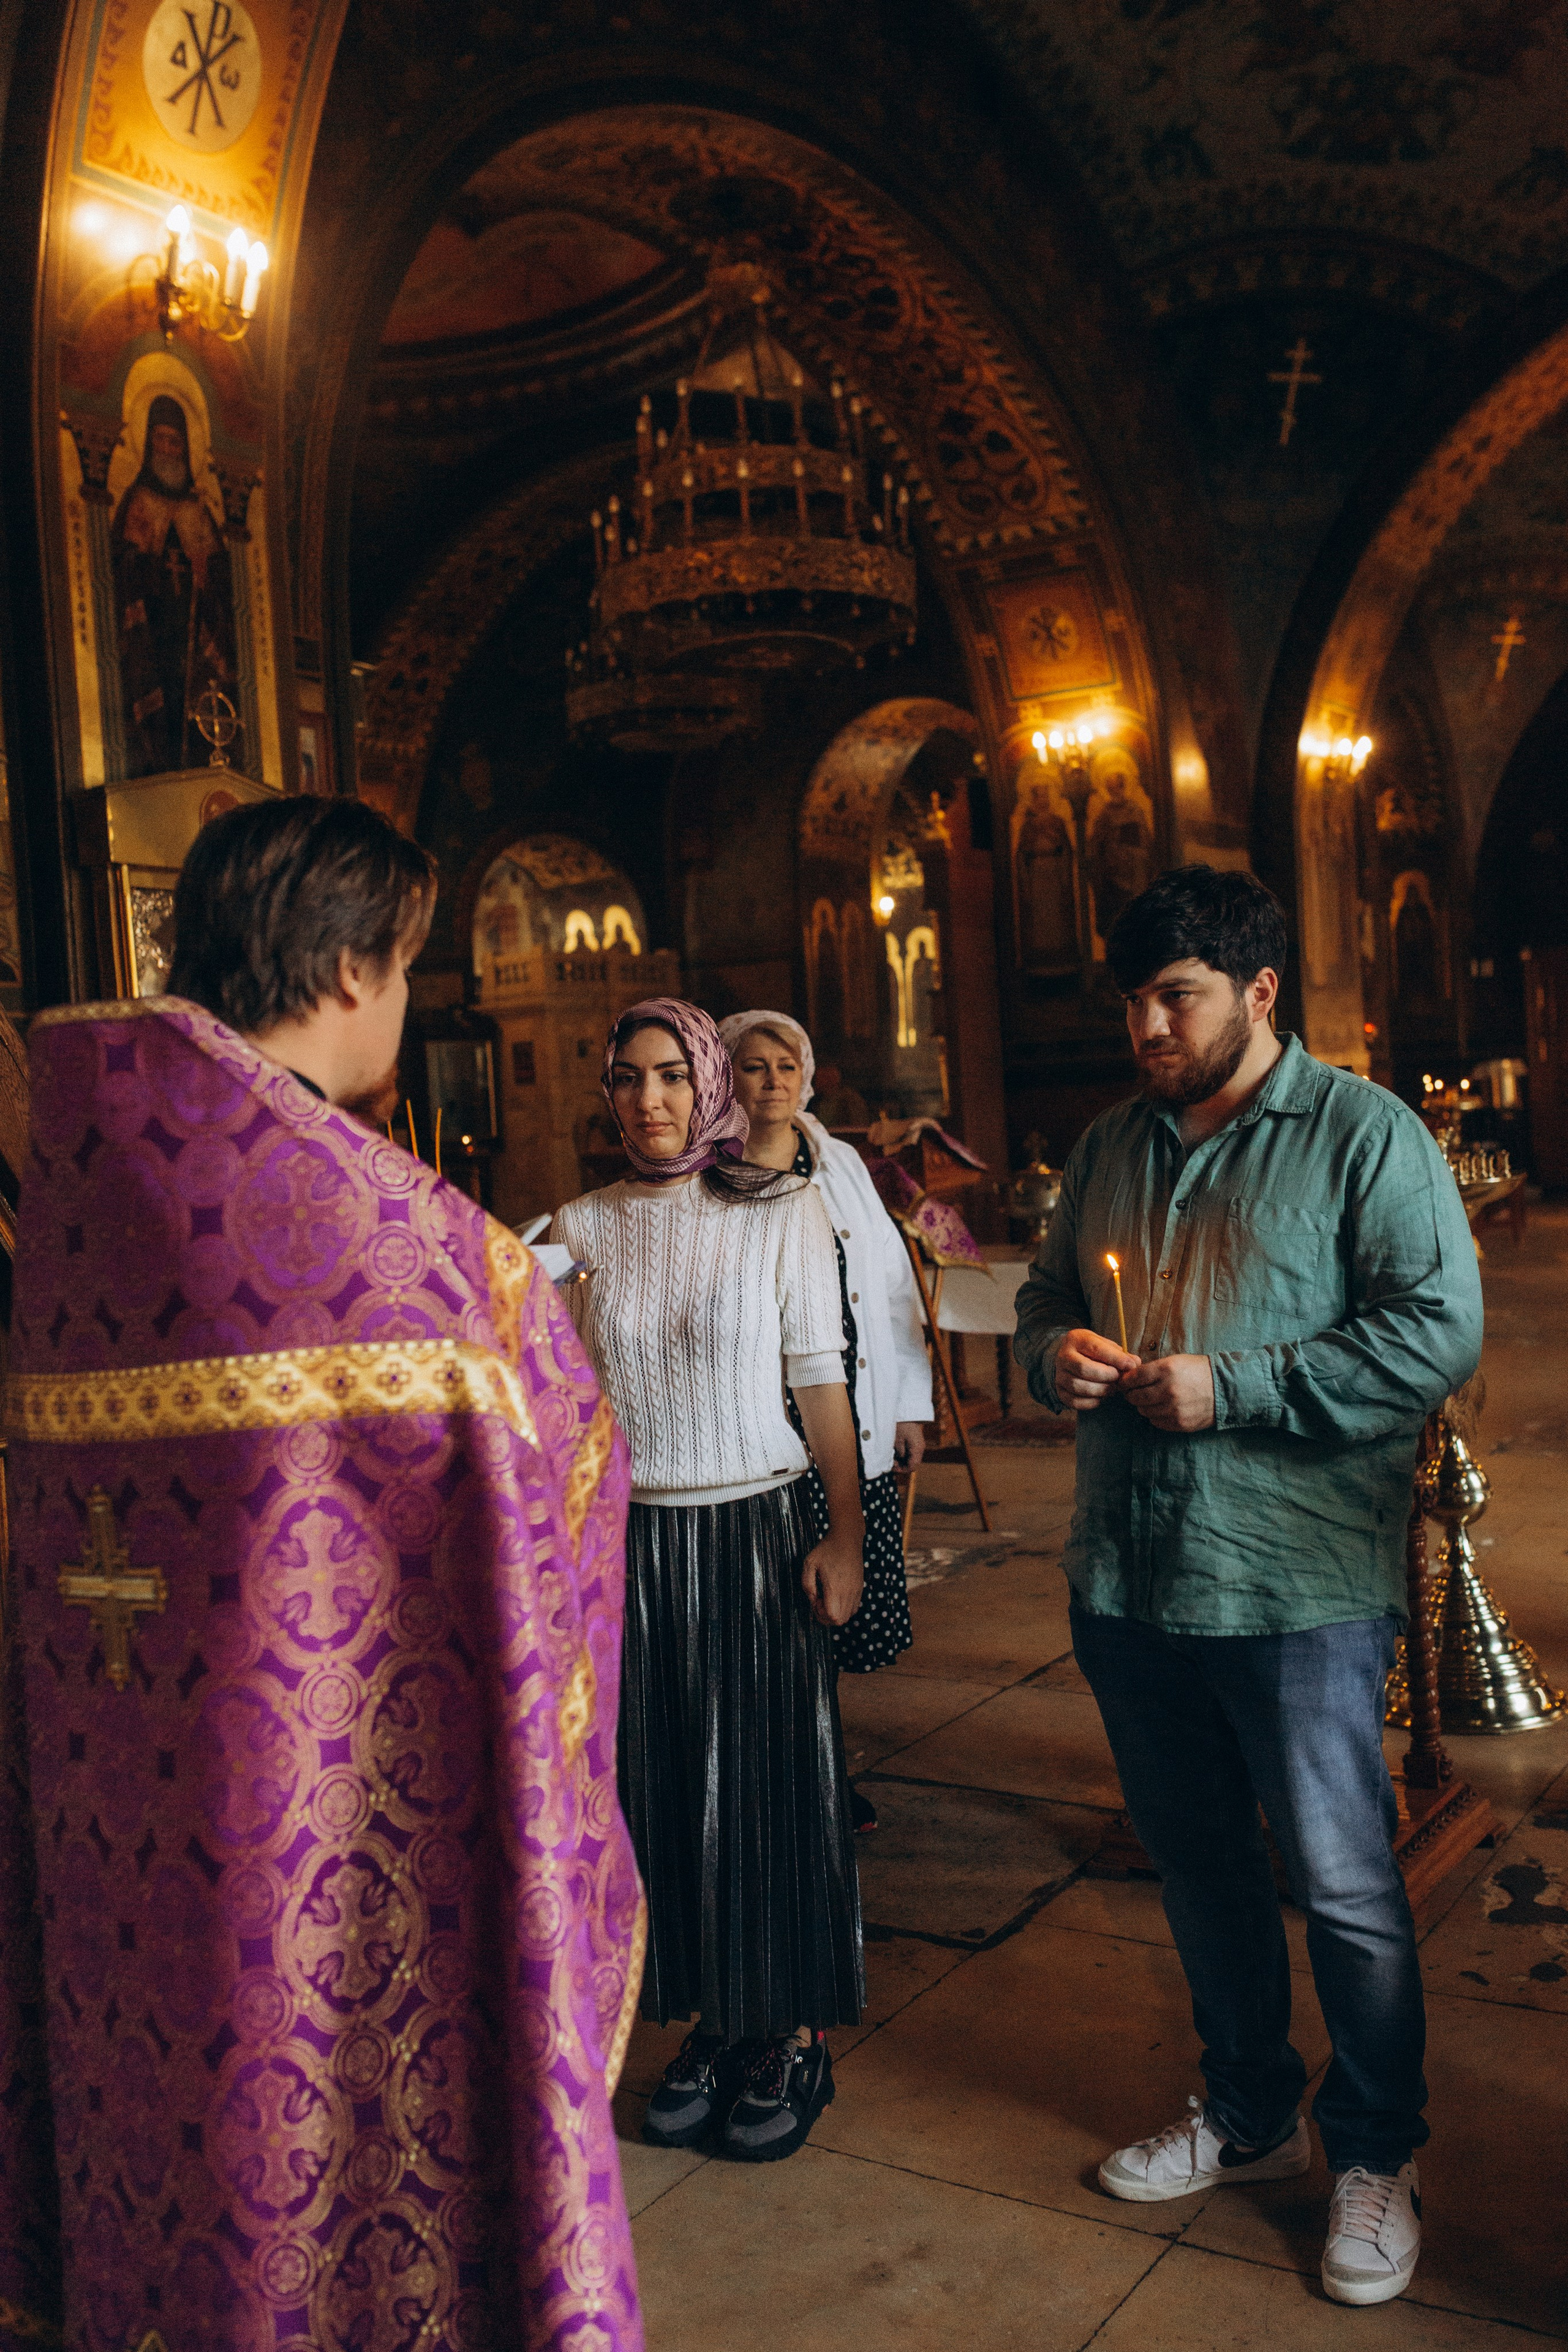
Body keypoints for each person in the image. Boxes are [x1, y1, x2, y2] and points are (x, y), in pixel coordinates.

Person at [0, 796, 644, 2352]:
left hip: (120, 1836)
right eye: (413, 968)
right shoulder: (409, 1248)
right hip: (349, 1841)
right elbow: (555, 1506)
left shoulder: (84, 1219)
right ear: (353, 966)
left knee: (157, 2150)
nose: (410, 1006)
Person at [1014, 864, 1482, 2310]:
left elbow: (1433, 1334)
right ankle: (1246, 2111)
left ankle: (1373, 2154)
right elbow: (1037, 1306)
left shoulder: (1360, 1136)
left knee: (1341, 1886)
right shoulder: (1107, 1145)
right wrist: (1059, 1359)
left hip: (1290, 1584)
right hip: (1131, 1575)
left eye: (1178, 997)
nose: (1148, 1025)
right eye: (1134, 1000)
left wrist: (1239, 1388)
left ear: (1257, 991)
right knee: (1201, 1866)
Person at [551, 998, 864, 2162]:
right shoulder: (576, 1226)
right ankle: (709, 2025)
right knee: (665, 1794)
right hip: (631, 1548)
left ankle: (786, 2035)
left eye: (673, 1076)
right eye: (627, 1078)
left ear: (713, 1086)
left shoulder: (782, 1212)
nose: (649, 1101)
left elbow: (824, 1387)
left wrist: (845, 1537)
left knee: (771, 1789)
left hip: (757, 1534)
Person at [718, 1009, 932, 1830]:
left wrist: (911, 1404)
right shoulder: (709, 1165)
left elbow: (889, 1284)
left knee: (828, 1613)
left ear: (805, 1076)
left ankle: (823, 1775)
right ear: (724, 1076)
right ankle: (779, 1782)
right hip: (756, 1424)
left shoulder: (837, 1160)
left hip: (847, 1421)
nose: (771, 1080)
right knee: (768, 1616)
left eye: (785, 1064)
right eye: (752, 1065)